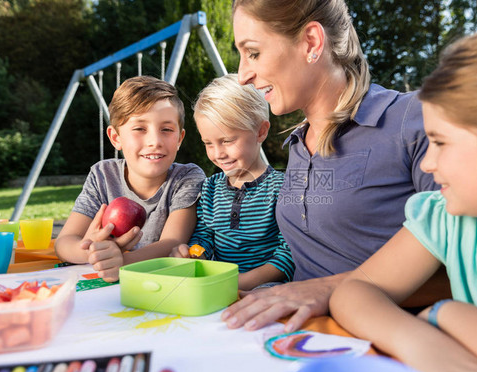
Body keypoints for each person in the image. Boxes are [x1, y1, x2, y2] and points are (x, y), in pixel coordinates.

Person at [330, 20, 477, 372]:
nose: (427, 163)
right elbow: (355, 290)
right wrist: (416, 340)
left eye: (440, 142)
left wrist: (450, 314)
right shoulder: (447, 218)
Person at [222, 0, 440, 331]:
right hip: (297, 336)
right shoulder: (296, 145)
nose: (242, 75)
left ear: (311, 42)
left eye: (253, 52)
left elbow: (473, 272)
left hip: (389, 343)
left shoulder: (411, 119)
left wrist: (329, 290)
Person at [55, 76, 206, 282]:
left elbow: (172, 242)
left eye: (167, 129)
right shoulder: (103, 175)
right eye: (139, 129)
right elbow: (64, 242)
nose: (154, 141)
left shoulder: (187, 177)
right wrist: (92, 252)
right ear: (116, 138)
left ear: (179, 138)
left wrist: (122, 264)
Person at [170, 74, 295, 291]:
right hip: (219, 282)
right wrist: (194, 252)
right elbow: (205, 235)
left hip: (266, 286)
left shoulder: (281, 188)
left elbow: (288, 253)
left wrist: (243, 282)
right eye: (208, 143)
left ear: (261, 131)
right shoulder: (209, 188)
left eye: (227, 141)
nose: (218, 153)